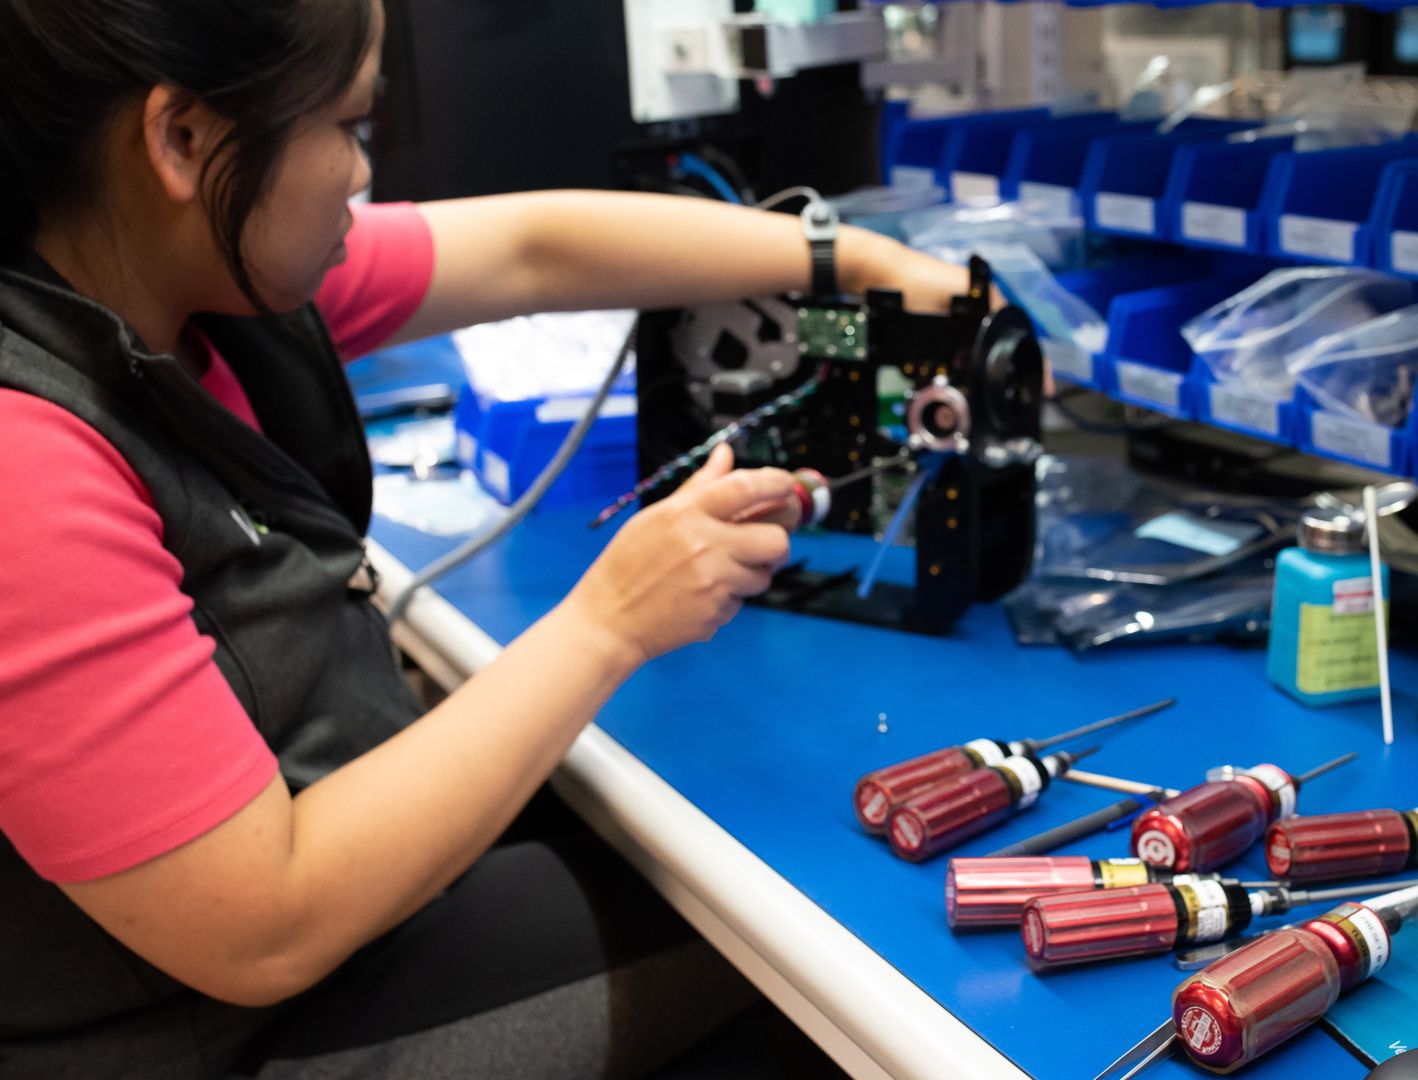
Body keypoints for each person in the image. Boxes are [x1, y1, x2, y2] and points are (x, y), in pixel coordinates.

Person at [0, 1, 975, 1076]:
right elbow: (261, 927)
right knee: (814, 952)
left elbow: (531, 248)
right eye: (347, 127)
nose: (363, 176)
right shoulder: (24, 467)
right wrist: (610, 621)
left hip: (320, 926)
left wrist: (862, 259)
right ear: (181, 140)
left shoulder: (183, 274)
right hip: (226, 1026)